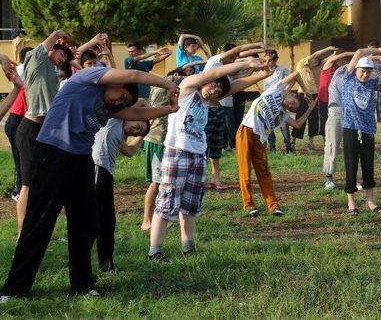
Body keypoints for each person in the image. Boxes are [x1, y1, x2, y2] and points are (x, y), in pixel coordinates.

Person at [0, 66, 179, 300]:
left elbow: (136, 114)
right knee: (40, 222)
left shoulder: (109, 107)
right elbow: (134, 75)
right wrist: (167, 84)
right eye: (122, 96)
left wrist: (170, 109)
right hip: (53, 153)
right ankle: (14, 290)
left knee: (85, 225)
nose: (119, 103)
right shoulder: (87, 79)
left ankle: (82, 285)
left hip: (81, 159)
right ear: (116, 82)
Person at [149, 58, 269, 260]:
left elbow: (235, 86)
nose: (214, 91)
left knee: (191, 205)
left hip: (198, 156)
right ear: (205, 81)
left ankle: (188, 247)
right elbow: (214, 75)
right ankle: (155, 251)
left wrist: (263, 74)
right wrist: (245, 63)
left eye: (218, 91)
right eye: (213, 86)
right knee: (167, 203)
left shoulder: (207, 100)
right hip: (177, 153)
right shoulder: (187, 88)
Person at [0, 29, 73, 234]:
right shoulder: (36, 59)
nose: (62, 59)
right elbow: (46, 45)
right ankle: (23, 234)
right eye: (61, 54)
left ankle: (34, 229)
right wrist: (58, 32)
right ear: (51, 49)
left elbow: (74, 64)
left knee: (41, 182)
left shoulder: (53, 72)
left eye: (65, 58)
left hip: (44, 130)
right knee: (27, 184)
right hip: (29, 128)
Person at [238, 70, 317, 217]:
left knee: (265, 173)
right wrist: (306, 92)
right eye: (293, 103)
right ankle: (249, 205)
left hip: (260, 140)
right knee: (245, 171)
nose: (291, 107)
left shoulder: (283, 115)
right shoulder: (276, 90)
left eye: (293, 108)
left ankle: (273, 206)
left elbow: (298, 124)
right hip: (246, 130)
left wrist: (311, 109)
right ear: (290, 94)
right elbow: (296, 75)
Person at [342, 47, 381, 216]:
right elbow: (359, 51)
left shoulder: (372, 83)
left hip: (368, 130)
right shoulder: (348, 79)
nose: (365, 75)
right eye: (362, 71)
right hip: (351, 129)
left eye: (368, 72)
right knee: (351, 165)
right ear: (356, 70)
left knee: (368, 166)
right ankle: (351, 202)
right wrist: (380, 50)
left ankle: (370, 201)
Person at [202, 42, 264, 190]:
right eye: (231, 58)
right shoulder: (214, 63)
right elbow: (238, 51)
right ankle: (199, 178)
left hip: (218, 110)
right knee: (202, 146)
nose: (232, 61)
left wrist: (260, 68)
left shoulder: (228, 74)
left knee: (216, 146)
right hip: (205, 111)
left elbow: (243, 77)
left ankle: (215, 178)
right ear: (226, 54)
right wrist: (256, 45)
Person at [92, 117, 149, 272]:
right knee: (99, 219)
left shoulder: (119, 132)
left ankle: (106, 263)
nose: (135, 131)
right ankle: (104, 264)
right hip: (97, 170)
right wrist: (150, 113)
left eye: (138, 131)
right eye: (137, 126)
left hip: (106, 174)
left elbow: (130, 151)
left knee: (108, 221)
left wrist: (143, 134)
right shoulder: (115, 119)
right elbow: (139, 104)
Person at [141, 69, 187, 231]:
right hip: (156, 140)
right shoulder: (165, 87)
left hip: (161, 140)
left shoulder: (159, 86)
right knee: (156, 182)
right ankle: (146, 220)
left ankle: (158, 217)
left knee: (162, 181)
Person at [320, 50, 357, 190]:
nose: (346, 61)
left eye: (348, 60)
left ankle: (352, 179)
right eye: (344, 59)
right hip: (334, 110)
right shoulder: (334, 71)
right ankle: (329, 178)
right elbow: (343, 58)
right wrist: (357, 53)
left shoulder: (354, 76)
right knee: (332, 144)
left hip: (350, 113)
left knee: (352, 147)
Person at [292, 46, 338, 150]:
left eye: (317, 63)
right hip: (302, 95)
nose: (315, 64)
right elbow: (316, 54)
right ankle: (293, 142)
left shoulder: (316, 68)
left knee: (313, 120)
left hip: (314, 95)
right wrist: (327, 49)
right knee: (300, 118)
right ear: (310, 59)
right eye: (314, 62)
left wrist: (334, 54)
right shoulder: (302, 64)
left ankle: (310, 143)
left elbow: (325, 60)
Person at [4, 46, 31, 201]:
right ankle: (19, 192)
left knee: (23, 157)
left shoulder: (20, 69)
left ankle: (21, 190)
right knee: (21, 158)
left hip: (19, 118)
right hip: (17, 118)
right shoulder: (23, 69)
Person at [263, 49, 293, 152]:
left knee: (283, 124)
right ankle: (272, 147)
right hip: (268, 102)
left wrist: (287, 90)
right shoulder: (264, 71)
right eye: (267, 60)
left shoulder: (282, 69)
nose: (269, 63)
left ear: (276, 60)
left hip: (280, 101)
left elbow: (292, 78)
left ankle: (288, 146)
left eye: (272, 60)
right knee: (269, 125)